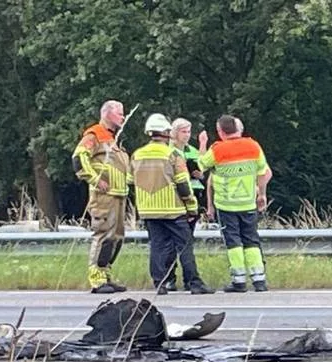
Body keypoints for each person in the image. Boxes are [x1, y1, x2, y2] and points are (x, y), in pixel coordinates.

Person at [130, 114, 213, 294]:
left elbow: (130, 179)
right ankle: (194, 283)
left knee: (157, 246)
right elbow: (183, 183)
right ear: (167, 132)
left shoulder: (137, 154)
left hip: (147, 209)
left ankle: (160, 283)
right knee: (184, 245)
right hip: (173, 209)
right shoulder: (172, 154)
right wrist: (191, 207)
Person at [197, 114, 272, 292]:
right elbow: (263, 174)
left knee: (233, 242)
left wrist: (202, 143)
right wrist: (261, 195)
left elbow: (200, 166)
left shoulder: (218, 150)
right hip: (248, 203)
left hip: (226, 204)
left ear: (220, 131)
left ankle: (239, 280)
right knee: (251, 240)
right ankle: (259, 279)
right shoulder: (253, 146)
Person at [72, 99, 130, 294]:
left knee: (116, 238)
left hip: (118, 195)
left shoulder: (113, 138)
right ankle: (96, 278)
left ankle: (105, 274)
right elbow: (79, 158)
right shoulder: (94, 134)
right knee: (104, 234)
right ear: (107, 114)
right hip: (104, 196)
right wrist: (95, 180)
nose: (123, 116)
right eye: (119, 112)